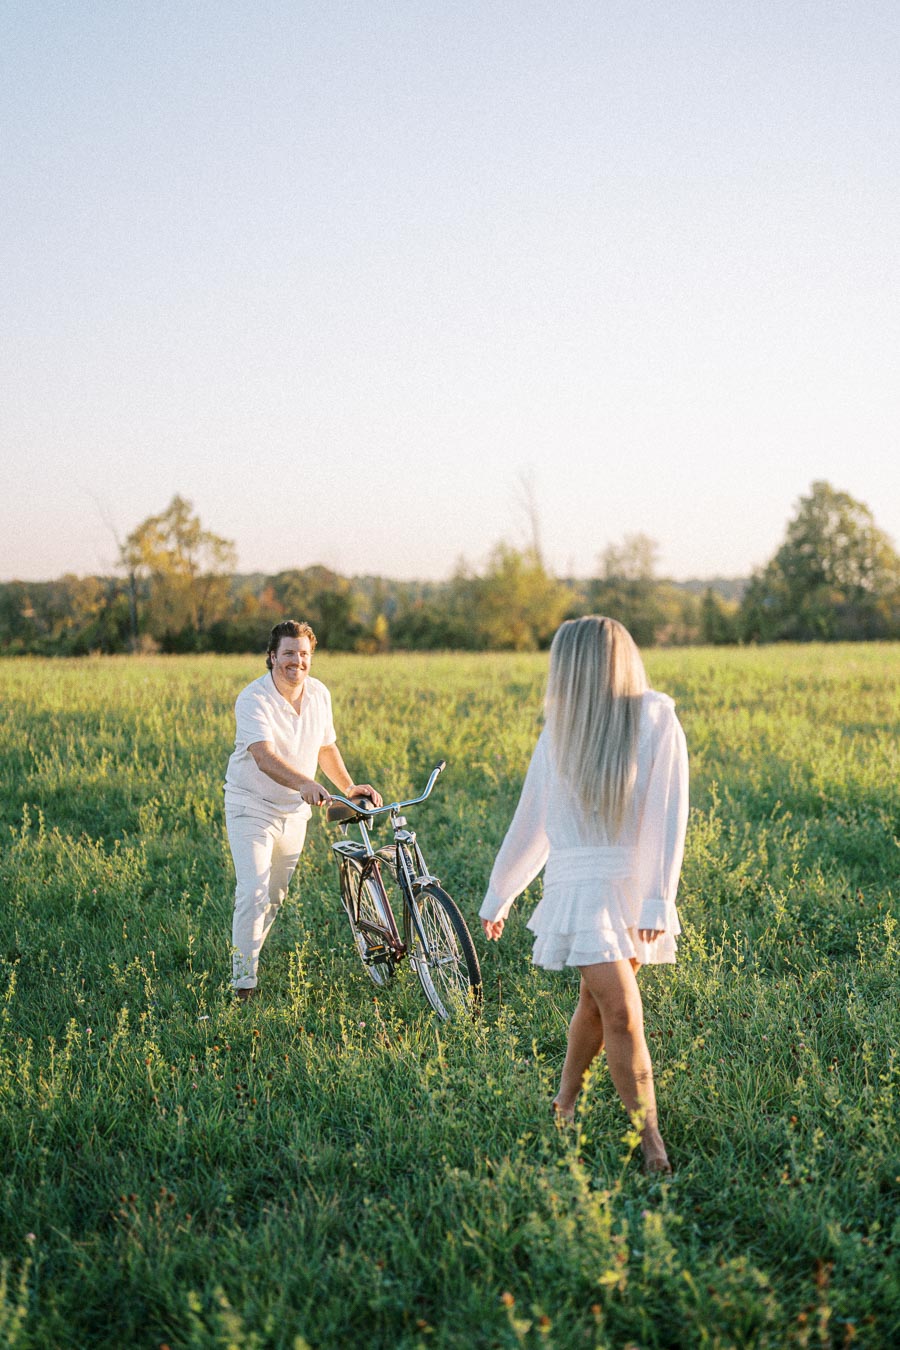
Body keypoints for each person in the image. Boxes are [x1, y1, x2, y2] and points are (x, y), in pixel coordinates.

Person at [479, 616, 688, 1172]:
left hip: (627, 882)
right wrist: (500, 893)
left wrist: (655, 901)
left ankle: (563, 1105)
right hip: (578, 887)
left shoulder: (654, 717)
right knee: (621, 1012)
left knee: (595, 1006)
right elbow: (532, 822)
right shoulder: (559, 731)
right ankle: (652, 1143)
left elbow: (669, 815)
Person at [224, 619, 382, 1000]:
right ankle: (243, 985)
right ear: (272, 657)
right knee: (253, 891)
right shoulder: (253, 698)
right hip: (251, 806)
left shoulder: (319, 694)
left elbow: (325, 747)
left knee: (274, 896)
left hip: (294, 812)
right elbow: (263, 757)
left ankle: (248, 952)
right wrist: (305, 783)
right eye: (289, 653)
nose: (297, 661)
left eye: (304, 654)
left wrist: (348, 786)